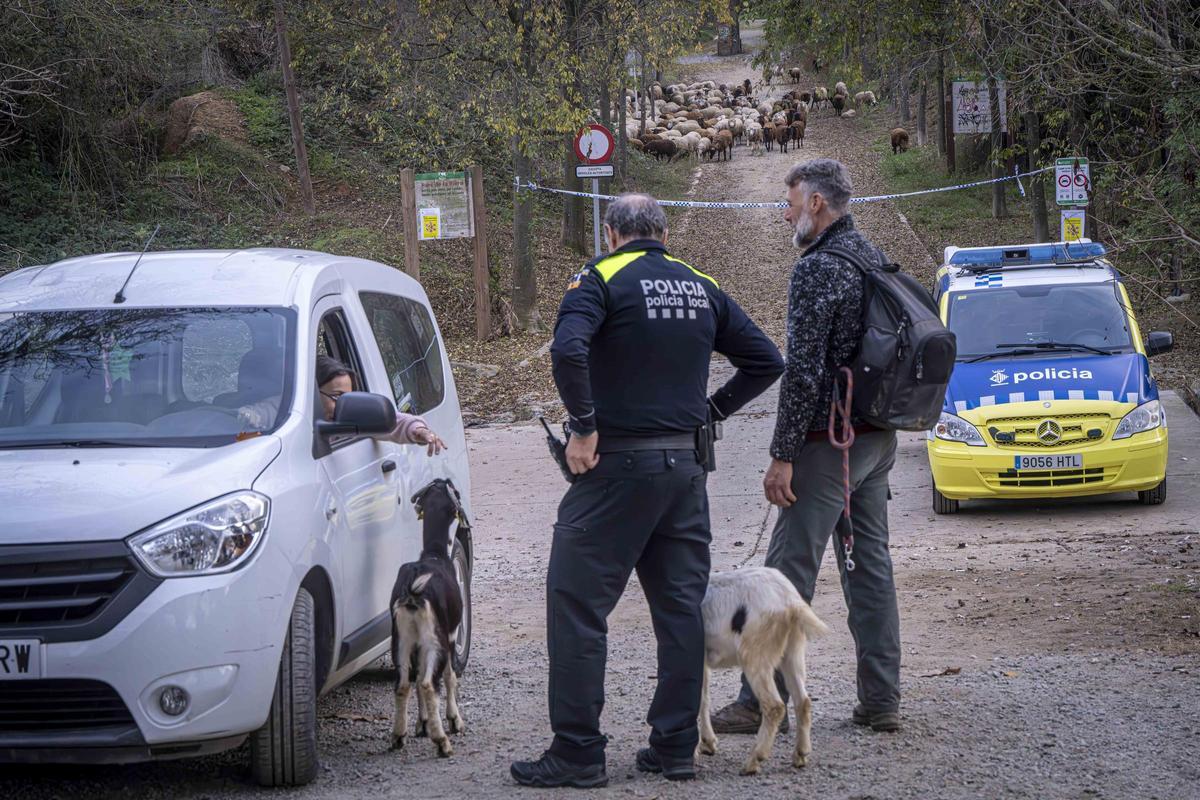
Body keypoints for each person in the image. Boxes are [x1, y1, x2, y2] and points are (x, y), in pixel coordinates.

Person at [510, 194, 784, 788]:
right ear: (661, 232)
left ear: (611, 233)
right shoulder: (700, 284)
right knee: (680, 611)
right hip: (685, 475)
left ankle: (578, 753)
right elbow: (766, 360)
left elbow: (566, 348)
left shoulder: (600, 278)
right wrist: (711, 412)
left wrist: (583, 426)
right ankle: (675, 747)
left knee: (578, 606)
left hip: (615, 473)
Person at [708, 158, 902, 736]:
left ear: (817, 202)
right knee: (870, 568)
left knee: (783, 574)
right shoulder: (873, 257)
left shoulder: (819, 268)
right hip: (875, 438)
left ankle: (756, 701)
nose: (786, 210)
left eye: (791, 200)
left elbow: (804, 373)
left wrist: (783, 453)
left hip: (827, 443)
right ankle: (881, 699)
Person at [238, 355, 446, 455]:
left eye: (348, 398)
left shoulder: (350, 419)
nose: (344, 406)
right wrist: (248, 417)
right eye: (337, 396)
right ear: (311, 391)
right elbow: (266, 411)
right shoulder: (289, 411)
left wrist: (420, 431)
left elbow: (394, 422)